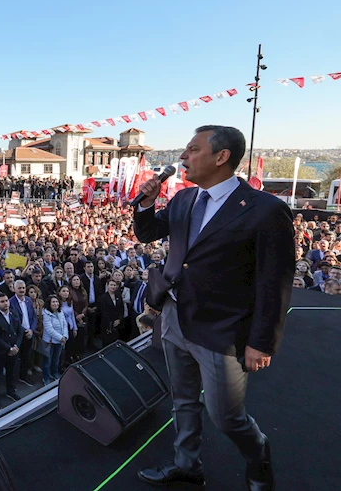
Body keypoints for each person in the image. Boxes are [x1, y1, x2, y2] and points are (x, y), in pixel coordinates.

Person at [134, 125, 294, 490]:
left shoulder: (266, 210)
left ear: (221, 157)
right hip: (176, 318)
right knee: (184, 401)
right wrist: (146, 203)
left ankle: (259, 460)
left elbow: (275, 282)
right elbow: (148, 233)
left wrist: (262, 342)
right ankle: (187, 465)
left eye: (192, 150)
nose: (182, 157)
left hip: (223, 331)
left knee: (226, 417)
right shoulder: (185, 200)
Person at [0, 293, 21, 409]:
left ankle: (10, 391)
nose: (5, 303)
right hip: (0, 352)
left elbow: (19, 330)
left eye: (6, 300)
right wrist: (9, 348)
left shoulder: (13, 312)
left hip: (14, 350)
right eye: (2, 301)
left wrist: (16, 346)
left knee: (11, 373)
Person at [9, 280, 36, 387]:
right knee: (15, 358)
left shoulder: (29, 300)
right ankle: (13, 380)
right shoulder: (11, 302)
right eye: (19, 288)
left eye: (23, 288)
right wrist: (24, 330)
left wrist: (31, 330)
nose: (22, 290)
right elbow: (14, 320)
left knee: (27, 356)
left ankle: (23, 376)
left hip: (29, 333)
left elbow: (33, 317)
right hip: (18, 335)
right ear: (15, 289)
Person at [41, 295, 67, 384]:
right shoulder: (46, 313)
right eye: (53, 302)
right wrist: (61, 337)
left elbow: (64, 324)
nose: (56, 304)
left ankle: (54, 373)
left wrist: (65, 336)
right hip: (49, 342)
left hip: (60, 341)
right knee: (47, 361)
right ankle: (46, 378)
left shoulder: (60, 312)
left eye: (57, 302)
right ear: (49, 304)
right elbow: (49, 329)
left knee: (56, 359)